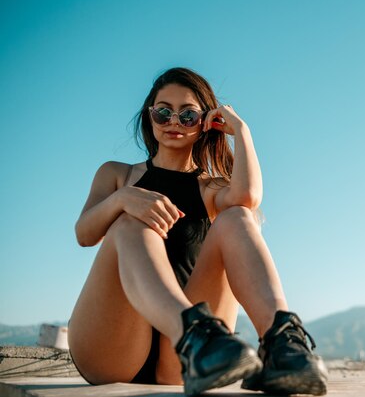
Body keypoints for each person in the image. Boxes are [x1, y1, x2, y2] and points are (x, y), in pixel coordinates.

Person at [68, 67, 328, 396]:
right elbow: (84, 234)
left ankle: (284, 346)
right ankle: (196, 334)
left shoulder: (211, 189)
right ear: (150, 117)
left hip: (185, 361)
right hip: (110, 350)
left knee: (238, 217)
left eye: (188, 114)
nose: (173, 121)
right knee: (129, 221)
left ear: (206, 122)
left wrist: (242, 131)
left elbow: (248, 197)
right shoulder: (117, 175)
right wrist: (123, 199)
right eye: (163, 112)